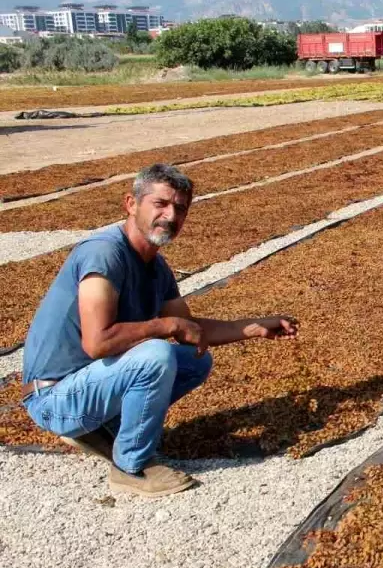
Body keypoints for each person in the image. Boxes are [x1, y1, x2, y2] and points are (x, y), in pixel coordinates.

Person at [21, 164, 299, 498]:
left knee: (195, 361)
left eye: (180, 208)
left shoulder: (157, 268)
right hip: (53, 396)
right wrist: (165, 325)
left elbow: (189, 331)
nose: (170, 215)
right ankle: (131, 467)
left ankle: (104, 427)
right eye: (161, 204)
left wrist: (254, 328)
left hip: (90, 384)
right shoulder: (104, 252)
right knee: (156, 355)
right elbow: (97, 342)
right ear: (131, 204)